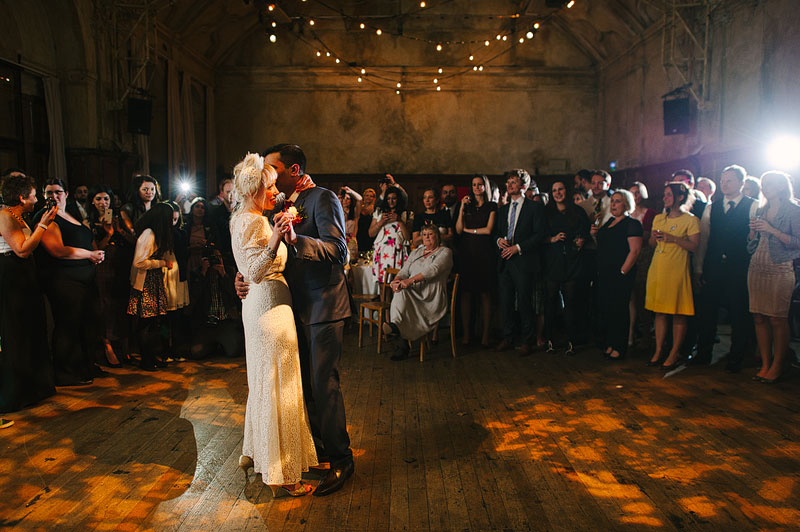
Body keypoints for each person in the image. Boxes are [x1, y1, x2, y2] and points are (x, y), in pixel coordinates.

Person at [236, 143, 354, 497]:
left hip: (323, 305)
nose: (266, 175)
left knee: (323, 384)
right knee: (302, 387)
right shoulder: (275, 207)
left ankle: (342, 459)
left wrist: (295, 238)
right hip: (289, 308)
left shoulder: (322, 198)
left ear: (294, 171)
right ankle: (313, 451)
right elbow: (256, 254)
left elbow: (339, 250)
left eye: (273, 168)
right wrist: (242, 277)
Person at [229, 153, 316, 497]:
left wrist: (288, 211)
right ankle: (284, 474)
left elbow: (247, 263)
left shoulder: (245, 218)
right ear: (254, 191)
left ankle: (256, 450)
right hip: (268, 308)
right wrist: (277, 238)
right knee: (278, 382)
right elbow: (252, 271)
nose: (275, 191)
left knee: (265, 379)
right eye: (270, 186)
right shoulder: (252, 223)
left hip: (264, 305)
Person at [37, 178, 105, 386]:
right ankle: (65, 373)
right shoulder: (47, 218)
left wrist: (96, 254)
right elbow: (57, 250)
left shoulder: (71, 216)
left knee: (87, 323)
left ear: (66, 194)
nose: (54, 196)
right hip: (64, 280)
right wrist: (89, 254)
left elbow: (85, 240)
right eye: (49, 193)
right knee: (68, 325)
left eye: (58, 192)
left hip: (85, 279)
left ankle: (85, 366)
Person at [0, 174, 57, 412]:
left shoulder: (17, 214)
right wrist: (43, 225)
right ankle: (16, 393)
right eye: (34, 195)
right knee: (15, 331)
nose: (38, 199)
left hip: (24, 275)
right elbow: (22, 249)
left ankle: (34, 388)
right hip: (11, 275)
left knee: (31, 328)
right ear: (22, 197)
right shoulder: (4, 216)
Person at [693, 165, 757, 371]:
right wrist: (699, 267)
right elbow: (704, 240)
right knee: (707, 312)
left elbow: (755, 241)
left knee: (739, 314)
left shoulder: (753, 206)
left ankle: (735, 359)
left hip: (739, 269)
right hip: (714, 268)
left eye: (729, 180)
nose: (724, 184)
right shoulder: (713, 207)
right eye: (722, 180)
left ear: (741, 183)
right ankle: (703, 354)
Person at [747, 171, 800, 383]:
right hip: (757, 264)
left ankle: (778, 365)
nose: (764, 187)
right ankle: (765, 363)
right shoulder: (761, 209)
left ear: (780, 187)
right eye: (763, 184)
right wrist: (752, 233)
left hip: (781, 266)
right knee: (758, 316)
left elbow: (798, 242)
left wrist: (773, 230)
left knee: (777, 318)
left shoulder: (794, 210)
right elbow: (750, 245)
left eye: (768, 184)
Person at [645, 182, 700, 369]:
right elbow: (652, 244)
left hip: (677, 269)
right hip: (658, 267)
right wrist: (653, 237)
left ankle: (674, 352)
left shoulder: (690, 220)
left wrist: (674, 239)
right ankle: (659, 349)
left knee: (678, 312)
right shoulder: (659, 218)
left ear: (680, 197)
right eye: (664, 195)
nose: (665, 198)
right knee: (659, 311)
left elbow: (694, 246)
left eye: (669, 195)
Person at [382, 225, 453, 360]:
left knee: (403, 289)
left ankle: (398, 335)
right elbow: (404, 270)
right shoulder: (417, 252)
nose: (427, 237)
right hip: (414, 292)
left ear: (437, 236)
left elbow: (433, 270)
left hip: (430, 296)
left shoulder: (445, 252)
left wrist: (410, 281)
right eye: (424, 234)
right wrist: (396, 281)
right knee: (399, 290)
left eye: (430, 234)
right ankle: (396, 329)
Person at [494, 169, 546, 354]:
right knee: (506, 302)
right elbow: (497, 232)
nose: (509, 185)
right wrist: (499, 240)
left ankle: (527, 340)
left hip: (524, 260)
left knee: (524, 302)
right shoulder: (503, 209)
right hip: (505, 261)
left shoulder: (535, 208)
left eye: (514, 182)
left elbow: (540, 234)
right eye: (508, 182)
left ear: (523, 186)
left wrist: (518, 247)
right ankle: (508, 338)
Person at [592, 190, 643, 360]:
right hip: (605, 272)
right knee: (607, 310)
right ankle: (610, 343)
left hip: (620, 273)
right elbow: (604, 245)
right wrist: (594, 235)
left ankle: (619, 346)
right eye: (612, 201)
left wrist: (622, 272)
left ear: (626, 204)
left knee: (619, 310)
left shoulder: (632, 224)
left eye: (618, 201)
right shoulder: (609, 222)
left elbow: (634, 252)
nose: (613, 204)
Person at [542, 179, 590, 355]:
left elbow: (583, 235)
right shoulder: (546, 212)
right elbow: (539, 236)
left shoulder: (577, 212)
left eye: (560, 189)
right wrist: (552, 239)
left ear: (566, 191)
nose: (557, 193)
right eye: (554, 190)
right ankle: (550, 340)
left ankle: (572, 340)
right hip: (552, 261)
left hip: (572, 261)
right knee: (550, 301)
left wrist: (577, 245)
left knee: (571, 301)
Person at [127, 203, 174, 371]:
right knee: (146, 323)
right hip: (145, 283)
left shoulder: (154, 233)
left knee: (153, 322)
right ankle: (146, 359)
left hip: (152, 281)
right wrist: (162, 263)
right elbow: (139, 261)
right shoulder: (149, 234)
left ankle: (151, 357)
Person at [87, 184, 128, 367]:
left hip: (119, 265)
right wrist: (108, 234)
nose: (103, 203)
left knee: (119, 303)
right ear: (92, 202)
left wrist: (119, 231)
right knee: (104, 305)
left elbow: (131, 243)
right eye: (98, 199)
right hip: (101, 266)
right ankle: (106, 344)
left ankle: (122, 344)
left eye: (106, 199)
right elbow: (95, 250)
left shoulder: (117, 219)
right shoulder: (88, 223)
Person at [455, 175, 497, 346]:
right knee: (465, 294)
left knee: (485, 294)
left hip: (484, 253)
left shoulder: (491, 206)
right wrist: (461, 209)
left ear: (485, 187)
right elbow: (458, 230)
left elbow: (488, 230)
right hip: (467, 254)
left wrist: (470, 231)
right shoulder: (467, 206)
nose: (477, 187)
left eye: (480, 184)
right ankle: (466, 334)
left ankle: (485, 335)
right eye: (474, 185)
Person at [629, 182, 657, 348]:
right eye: (632, 193)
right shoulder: (626, 213)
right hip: (628, 254)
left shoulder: (652, 214)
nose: (636, 196)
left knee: (643, 294)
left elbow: (652, 235)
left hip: (645, 257)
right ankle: (632, 332)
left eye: (638, 192)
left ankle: (646, 332)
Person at [369, 185, 411, 283]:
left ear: (398, 199)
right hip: (382, 251)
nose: (391, 201)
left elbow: (408, 237)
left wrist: (400, 221)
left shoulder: (406, 214)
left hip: (398, 251)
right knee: (382, 282)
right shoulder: (379, 212)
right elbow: (371, 233)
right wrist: (381, 222)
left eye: (394, 198)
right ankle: (384, 298)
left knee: (397, 282)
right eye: (388, 199)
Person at [338, 186, 362, 262]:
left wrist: (350, 191)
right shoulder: (337, 211)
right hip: (340, 239)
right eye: (343, 198)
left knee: (352, 262)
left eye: (348, 199)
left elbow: (360, 199)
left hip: (351, 239)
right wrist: (339, 196)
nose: (345, 201)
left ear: (351, 201)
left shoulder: (354, 212)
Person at [356, 187, 376, 254]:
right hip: (359, 232)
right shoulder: (359, 207)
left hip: (369, 234)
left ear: (374, 198)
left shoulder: (375, 208)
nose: (368, 197)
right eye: (367, 195)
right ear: (364, 196)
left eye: (371, 196)